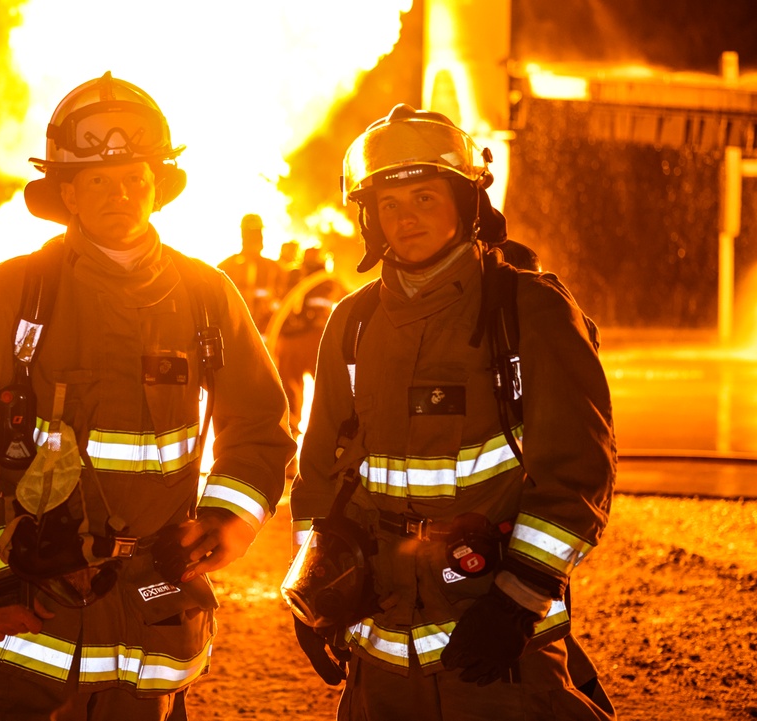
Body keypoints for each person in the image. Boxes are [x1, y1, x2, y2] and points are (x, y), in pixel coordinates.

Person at [0, 72, 295, 720]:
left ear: (156, 186)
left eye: (133, 177)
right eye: (97, 179)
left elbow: (259, 424)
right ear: (66, 192)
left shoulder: (205, 297)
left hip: (150, 635)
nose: (119, 194)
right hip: (22, 629)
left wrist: (225, 522)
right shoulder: (4, 298)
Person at [283, 105, 617, 720]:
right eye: (390, 204)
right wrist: (314, 589)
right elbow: (319, 477)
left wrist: (517, 601)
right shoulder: (352, 327)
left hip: (493, 645)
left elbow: (577, 474)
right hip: (378, 650)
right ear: (370, 219)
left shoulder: (527, 311)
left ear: (467, 204)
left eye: (424, 197)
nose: (405, 218)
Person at [275, 246, 346, 437]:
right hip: (317, 341)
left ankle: (290, 433)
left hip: (291, 343)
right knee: (328, 388)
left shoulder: (292, 277)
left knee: (290, 392)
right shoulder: (328, 281)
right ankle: (331, 430)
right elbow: (352, 303)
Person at [217, 214, 282, 334]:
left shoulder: (275, 268)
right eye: (251, 233)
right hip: (236, 331)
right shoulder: (226, 267)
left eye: (257, 233)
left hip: (268, 331)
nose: (255, 238)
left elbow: (283, 302)